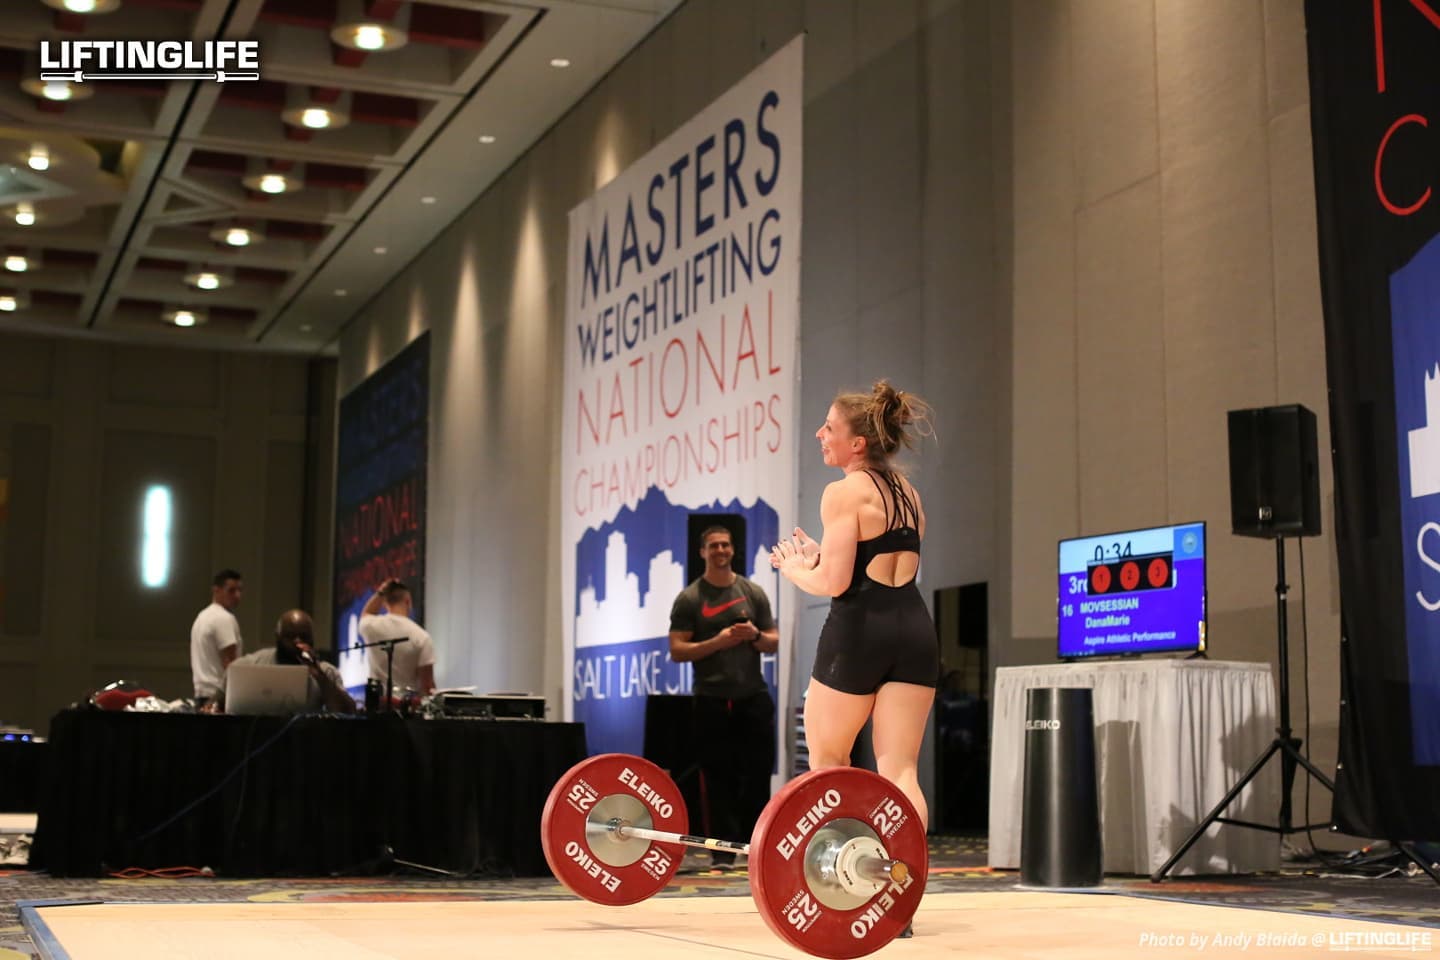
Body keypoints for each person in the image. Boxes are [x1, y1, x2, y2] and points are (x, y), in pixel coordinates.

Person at [770, 380, 938, 834]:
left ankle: (834, 869)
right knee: (901, 771)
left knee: (828, 763)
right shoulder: (908, 493)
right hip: (914, 631)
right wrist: (822, 554)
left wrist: (793, 568)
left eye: (829, 428)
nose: (820, 435)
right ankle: (907, 870)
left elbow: (834, 583)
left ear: (857, 443)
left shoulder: (842, 492)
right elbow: (876, 562)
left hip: (859, 632)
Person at [668, 525, 780, 869]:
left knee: (757, 777)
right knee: (717, 779)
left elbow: (772, 641)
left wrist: (754, 635)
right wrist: (718, 641)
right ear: (703, 552)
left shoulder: (752, 592)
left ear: (732, 550)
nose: (720, 550)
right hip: (711, 700)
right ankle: (722, 854)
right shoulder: (690, 598)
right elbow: (677, 650)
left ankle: (755, 849)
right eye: (714, 545)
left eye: (725, 545)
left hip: (753, 698)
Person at [228, 609, 356, 714]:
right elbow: (222, 694)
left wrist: (320, 676)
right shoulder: (253, 664)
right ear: (278, 637)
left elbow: (348, 712)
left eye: (304, 636)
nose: (297, 641)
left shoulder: (326, 672)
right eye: (290, 636)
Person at [358, 579, 436, 695]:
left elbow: (366, 613)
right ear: (408, 601)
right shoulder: (421, 636)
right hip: (406, 703)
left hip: (377, 702)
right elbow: (427, 685)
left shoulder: (371, 626)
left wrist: (381, 591)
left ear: (385, 603)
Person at [190, 568, 244, 709]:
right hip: (218, 696)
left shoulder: (202, 617)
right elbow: (230, 664)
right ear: (216, 590)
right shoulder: (223, 618)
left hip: (202, 694)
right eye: (231, 591)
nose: (237, 595)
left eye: (239, 590)